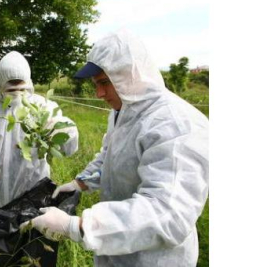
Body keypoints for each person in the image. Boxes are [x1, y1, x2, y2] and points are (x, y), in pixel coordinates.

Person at [21, 29, 209, 266]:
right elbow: (110, 156)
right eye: (95, 84)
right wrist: (81, 182)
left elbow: (168, 214)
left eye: (104, 83)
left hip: (153, 259)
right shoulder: (124, 111)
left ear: (130, 75)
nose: (99, 93)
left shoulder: (176, 127)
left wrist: (77, 226)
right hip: (117, 252)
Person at [0, 51, 79, 212]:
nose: (16, 93)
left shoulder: (44, 107)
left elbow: (69, 148)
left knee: (33, 235)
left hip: (36, 196)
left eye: (21, 88)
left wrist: (65, 131)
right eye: (11, 88)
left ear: (29, 82)